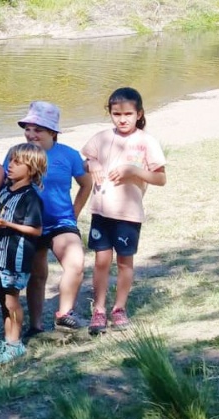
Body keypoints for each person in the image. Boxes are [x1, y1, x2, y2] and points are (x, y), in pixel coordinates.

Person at [81, 87, 166, 334]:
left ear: (139, 113)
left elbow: (160, 179)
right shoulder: (101, 138)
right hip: (101, 211)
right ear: (110, 113)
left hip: (128, 214)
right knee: (101, 261)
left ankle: (119, 308)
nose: (122, 119)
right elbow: (84, 162)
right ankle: (98, 310)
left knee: (124, 262)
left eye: (128, 113)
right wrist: (92, 163)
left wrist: (133, 170)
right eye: (116, 113)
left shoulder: (146, 141)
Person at [15, 101, 94, 335]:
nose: (31, 134)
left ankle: (64, 314)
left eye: (37, 129)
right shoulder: (18, 153)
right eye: (28, 129)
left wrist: (74, 213)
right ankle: (35, 326)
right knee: (37, 275)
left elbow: (85, 184)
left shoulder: (68, 155)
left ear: (52, 132)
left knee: (76, 264)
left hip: (61, 222)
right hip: (29, 223)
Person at [0, 143, 45, 366]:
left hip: (17, 255)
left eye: (17, 162)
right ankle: (7, 339)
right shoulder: (4, 189)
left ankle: (15, 343)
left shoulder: (31, 197)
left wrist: (7, 224)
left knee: (12, 299)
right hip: (0, 254)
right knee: (2, 297)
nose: (10, 166)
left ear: (31, 169)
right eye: (10, 160)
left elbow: (37, 230)